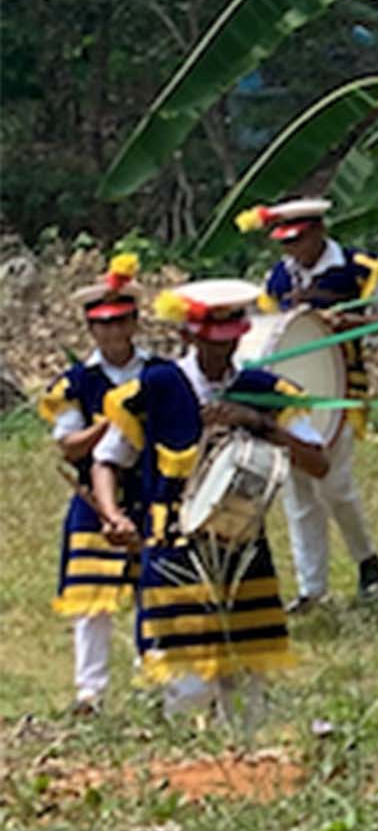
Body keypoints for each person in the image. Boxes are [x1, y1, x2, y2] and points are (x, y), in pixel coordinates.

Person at [88, 279, 331, 728]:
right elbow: (107, 460)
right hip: (173, 545)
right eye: (210, 341)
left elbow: (318, 463)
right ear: (188, 336)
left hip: (242, 545)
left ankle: (246, 756)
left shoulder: (264, 389)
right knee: (184, 676)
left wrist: (260, 423)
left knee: (247, 671)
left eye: (229, 340)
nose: (221, 351)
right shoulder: (156, 386)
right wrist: (115, 514)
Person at [248, 196, 378, 605]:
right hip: (290, 394)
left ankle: (367, 560)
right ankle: (312, 587)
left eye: (298, 240)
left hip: (341, 389)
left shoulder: (360, 268)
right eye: (285, 243)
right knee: (298, 490)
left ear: (319, 231)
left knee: (335, 485)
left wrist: (350, 323)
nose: (291, 251)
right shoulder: (276, 279)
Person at [45, 254, 149, 711]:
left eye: (121, 321)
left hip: (148, 492)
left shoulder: (159, 373)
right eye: (103, 324)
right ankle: (91, 691)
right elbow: (68, 445)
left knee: (155, 588)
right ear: (91, 330)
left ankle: (157, 680)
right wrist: (108, 425)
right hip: (93, 497)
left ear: (134, 322)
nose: (112, 332)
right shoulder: (74, 382)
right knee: (90, 599)